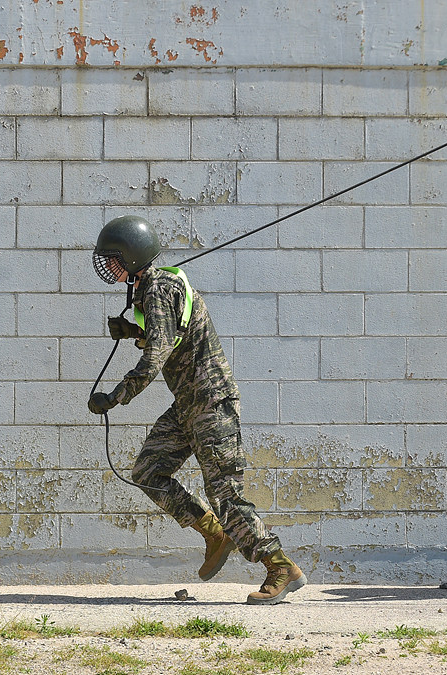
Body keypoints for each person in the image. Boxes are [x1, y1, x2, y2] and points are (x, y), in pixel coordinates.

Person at [87, 214, 307, 605]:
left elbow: (157, 356)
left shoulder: (156, 290)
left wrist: (116, 396)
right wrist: (133, 331)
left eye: (114, 258)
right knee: (149, 471)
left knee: (225, 491)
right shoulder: (154, 286)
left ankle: (279, 565)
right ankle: (212, 531)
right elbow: (169, 335)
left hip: (210, 401)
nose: (109, 266)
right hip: (188, 404)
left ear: (135, 257)